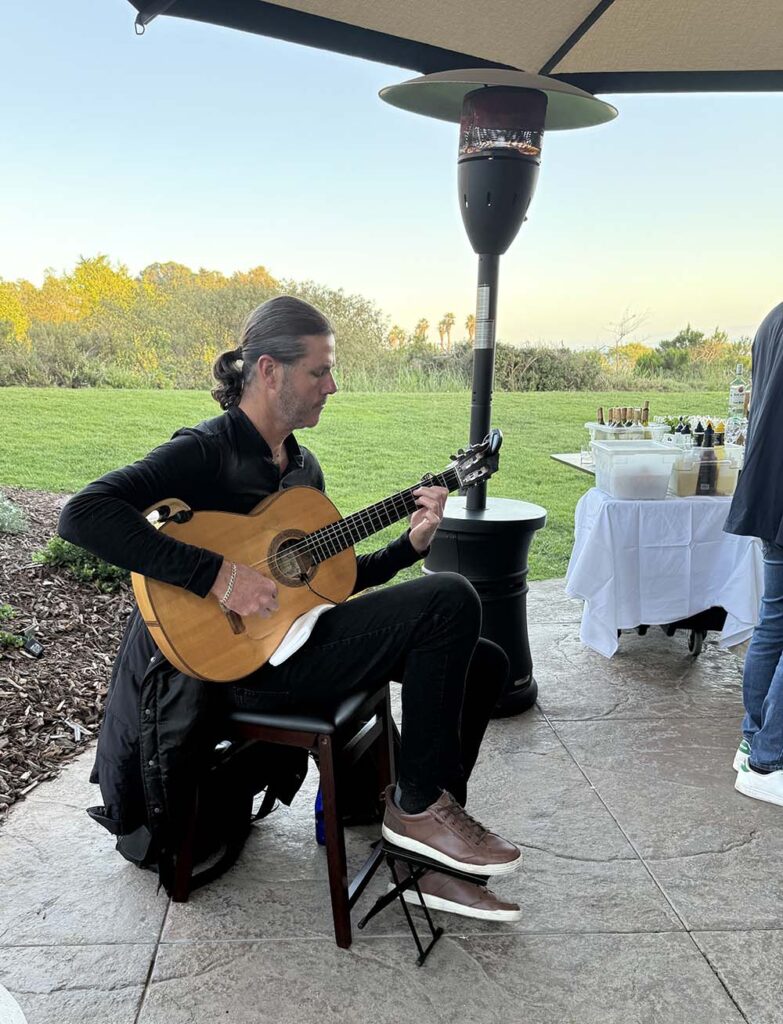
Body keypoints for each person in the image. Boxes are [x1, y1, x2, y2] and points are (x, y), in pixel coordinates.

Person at [58, 295, 522, 921]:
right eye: (319, 371)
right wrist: (218, 577)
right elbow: (82, 514)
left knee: (485, 663)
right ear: (269, 371)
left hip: (295, 647)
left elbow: (325, 585)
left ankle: (427, 857)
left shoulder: (303, 468)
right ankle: (415, 813)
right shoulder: (206, 451)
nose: (333, 385)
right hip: (232, 670)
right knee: (451, 596)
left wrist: (408, 548)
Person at [725, 301, 783, 806]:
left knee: (773, 622)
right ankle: (770, 758)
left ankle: (755, 739)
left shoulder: (772, 318)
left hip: (771, 491)